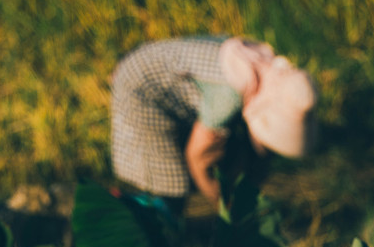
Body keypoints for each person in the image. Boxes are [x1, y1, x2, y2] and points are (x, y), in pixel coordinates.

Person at [109, 35, 318, 214]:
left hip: (169, 76)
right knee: (171, 186)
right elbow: (197, 159)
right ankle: (123, 209)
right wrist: (227, 209)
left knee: (236, 152)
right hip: (143, 91)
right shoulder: (228, 95)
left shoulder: (264, 70)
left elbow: (258, 152)